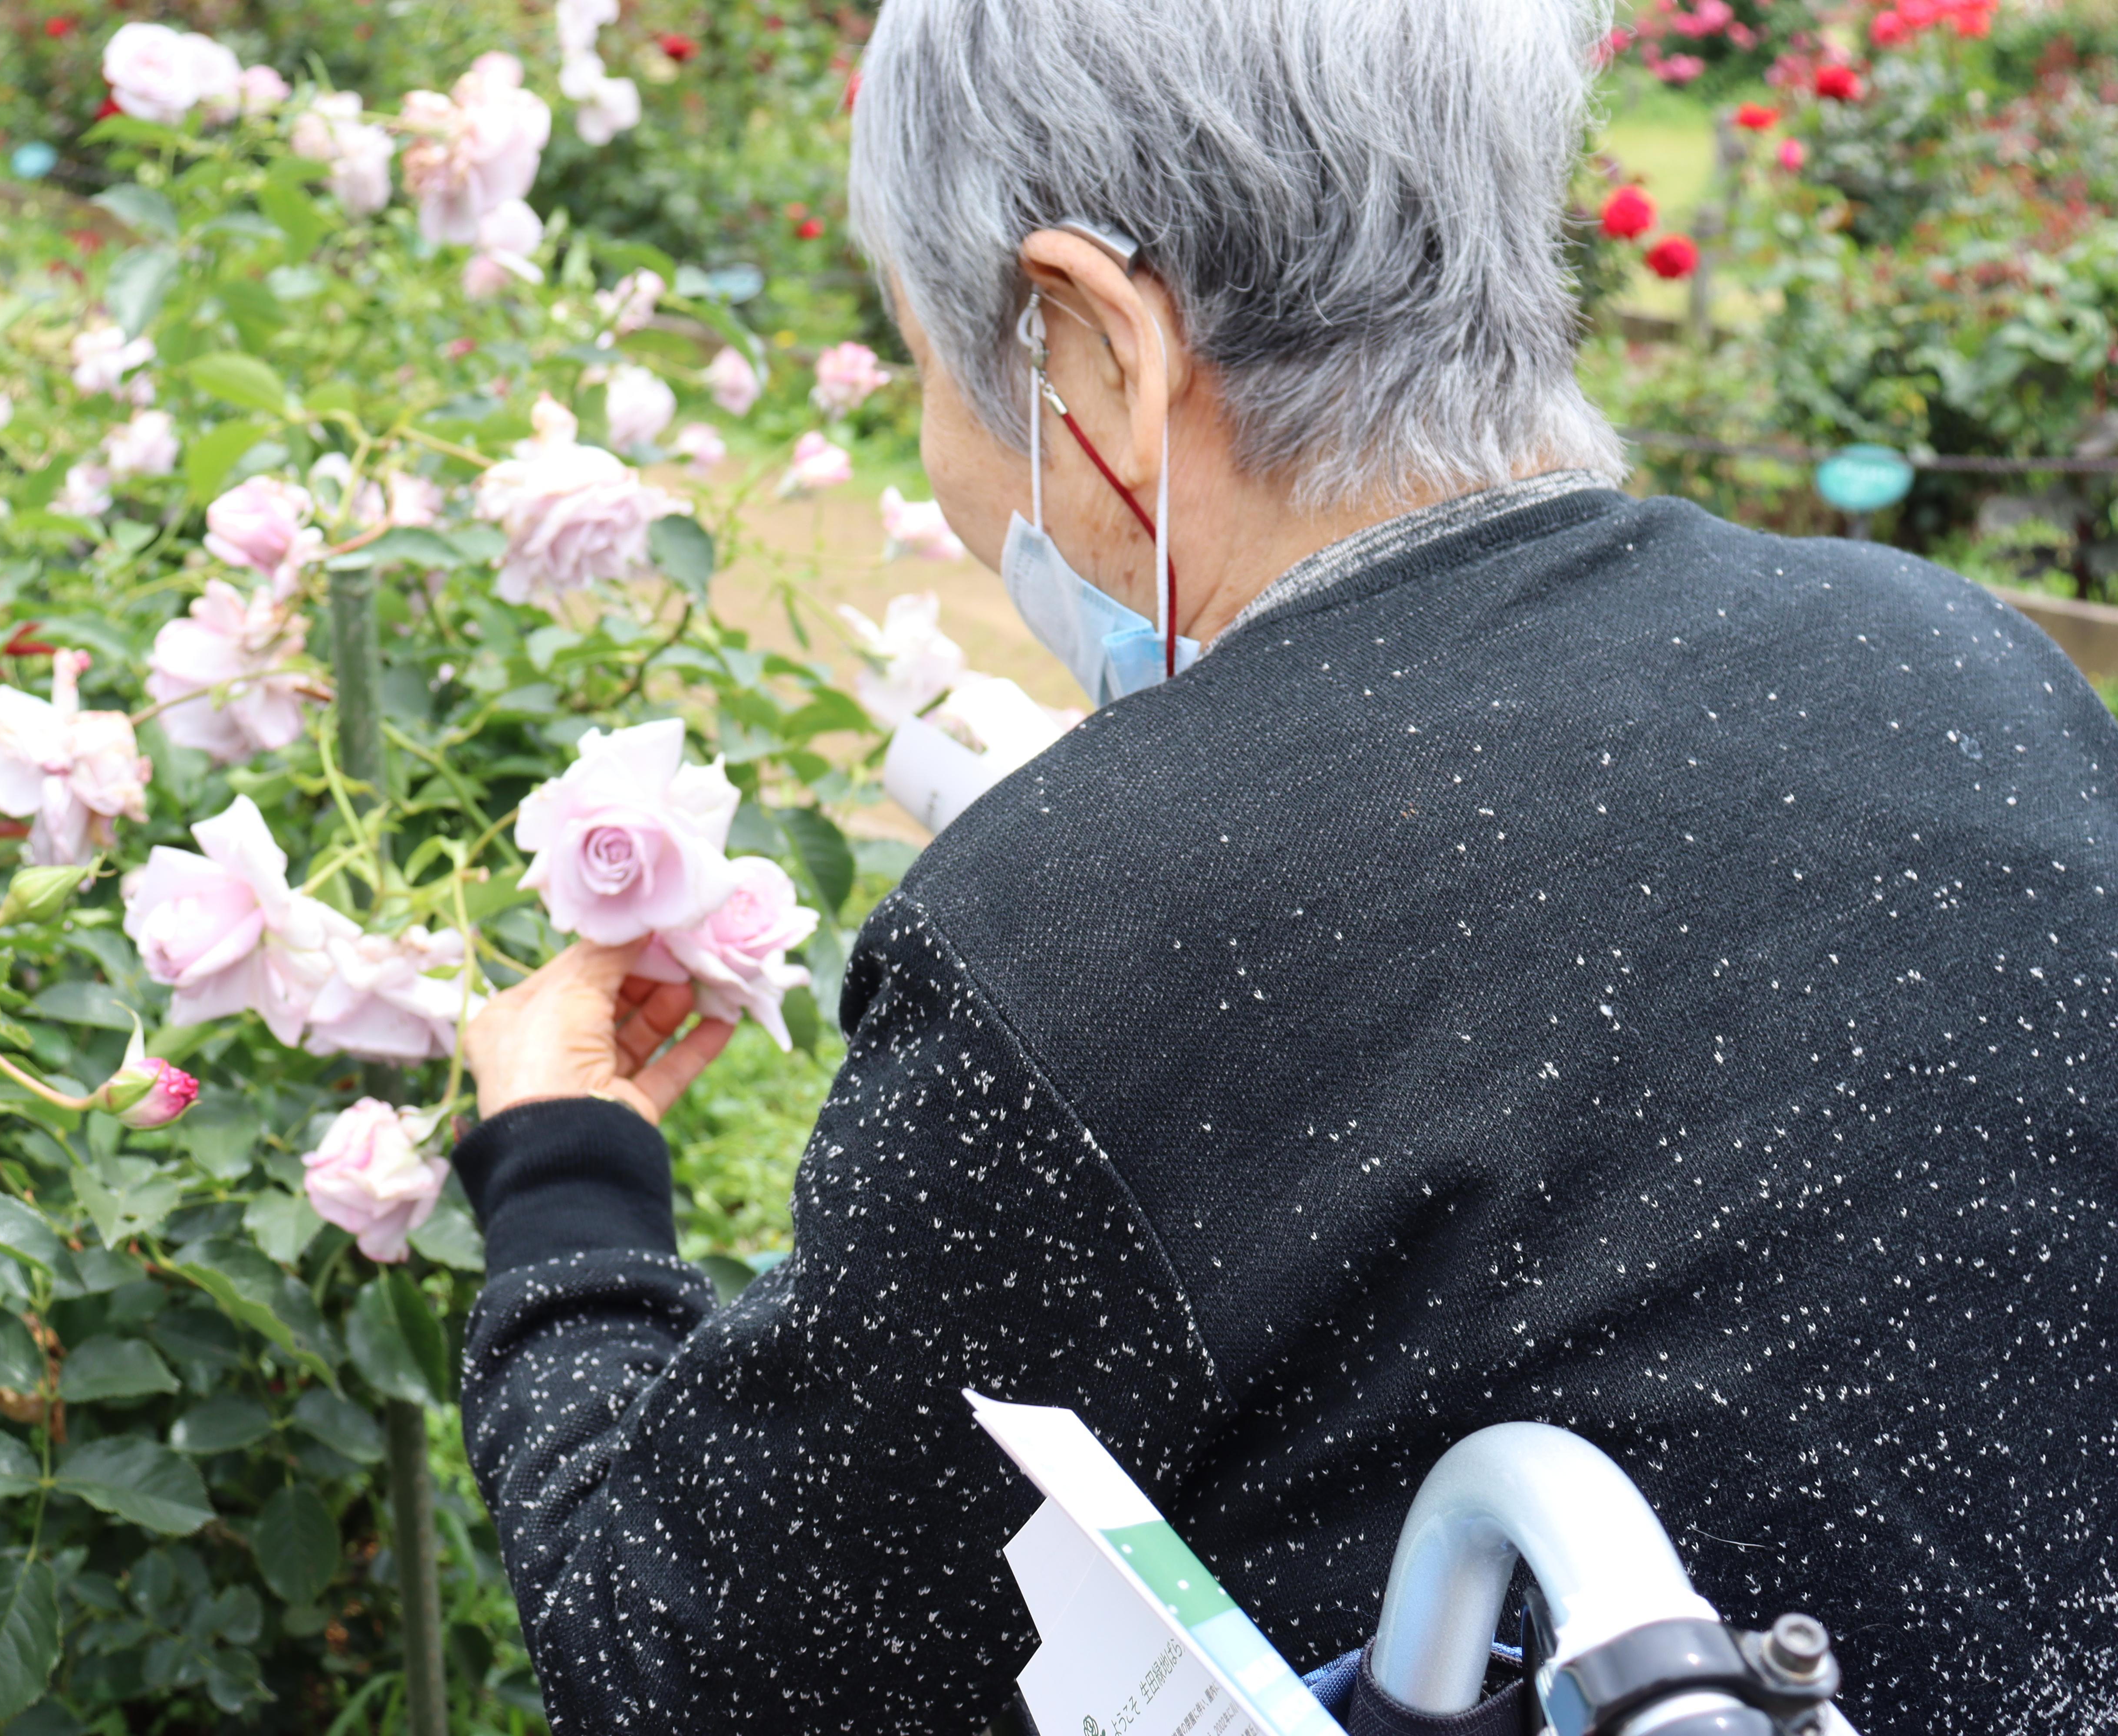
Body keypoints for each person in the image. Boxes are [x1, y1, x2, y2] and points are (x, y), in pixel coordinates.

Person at [448, 0, 2118, 1729]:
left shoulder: (1089, 934)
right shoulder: (1977, 671)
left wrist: (567, 1178)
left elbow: (692, 1665)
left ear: (1095, 347)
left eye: (930, 358)